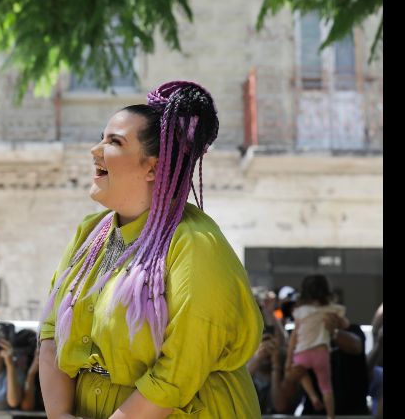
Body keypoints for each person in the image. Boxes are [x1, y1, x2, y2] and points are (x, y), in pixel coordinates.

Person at [39, 81, 263, 419]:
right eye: (102, 138)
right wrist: (60, 415)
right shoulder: (90, 233)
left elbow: (179, 372)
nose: (95, 150)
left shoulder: (195, 245)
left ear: (154, 167)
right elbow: (51, 333)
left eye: (114, 142)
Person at [286, 274, 346, 418]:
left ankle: (313, 396)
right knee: (326, 387)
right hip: (321, 353)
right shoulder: (332, 309)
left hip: (302, 354)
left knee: (301, 372)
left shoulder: (300, 311)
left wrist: (289, 360)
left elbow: (294, 336)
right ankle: (330, 416)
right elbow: (345, 323)